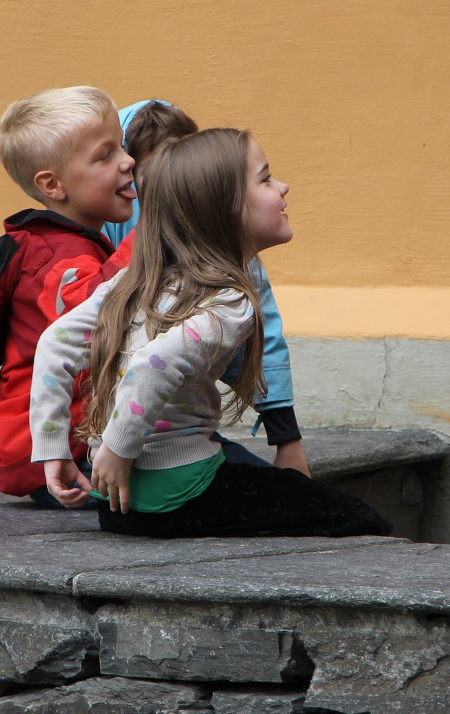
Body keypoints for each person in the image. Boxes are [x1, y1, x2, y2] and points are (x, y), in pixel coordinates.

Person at [29, 128, 391, 538]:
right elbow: (153, 363)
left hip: (116, 503)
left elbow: (54, 345)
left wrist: (53, 449)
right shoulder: (230, 301)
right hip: (181, 494)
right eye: (267, 178)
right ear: (225, 210)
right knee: (353, 517)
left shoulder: (136, 280)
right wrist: (117, 450)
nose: (283, 187)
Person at [0, 86, 135, 504]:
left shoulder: (60, 243)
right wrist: (152, 234)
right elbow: (90, 312)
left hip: (54, 443)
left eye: (122, 147)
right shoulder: (60, 256)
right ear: (53, 185)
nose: (128, 162)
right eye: (105, 155)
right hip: (55, 452)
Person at [107, 100, 309, 475]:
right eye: (154, 178)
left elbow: (265, 344)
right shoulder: (118, 258)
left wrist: (288, 441)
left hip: (169, 441)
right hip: (115, 449)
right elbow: (70, 342)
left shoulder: (235, 265)